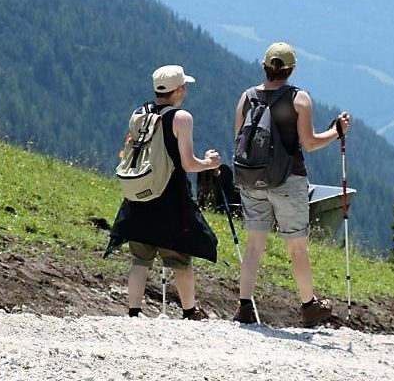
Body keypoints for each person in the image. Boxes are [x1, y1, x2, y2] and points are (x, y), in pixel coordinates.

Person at [232, 42, 350, 326]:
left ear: (264, 67)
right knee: (297, 247)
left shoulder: (247, 98)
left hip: (251, 179)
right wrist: (336, 131)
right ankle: (308, 306)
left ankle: (245, 307)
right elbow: (309, 143)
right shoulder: (299, 99)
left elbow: (239, 139)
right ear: (291, 69)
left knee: (253, 246)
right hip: (288, 179)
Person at [108, 65, 221, 320]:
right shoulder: (181, 118)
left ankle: (134, 312)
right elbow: (188, 164)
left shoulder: (140, 114)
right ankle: (190, 310)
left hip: (140, 193)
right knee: (179, 256)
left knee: (140, 258)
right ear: (179, 89)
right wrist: (210, 163)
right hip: (170, 196)